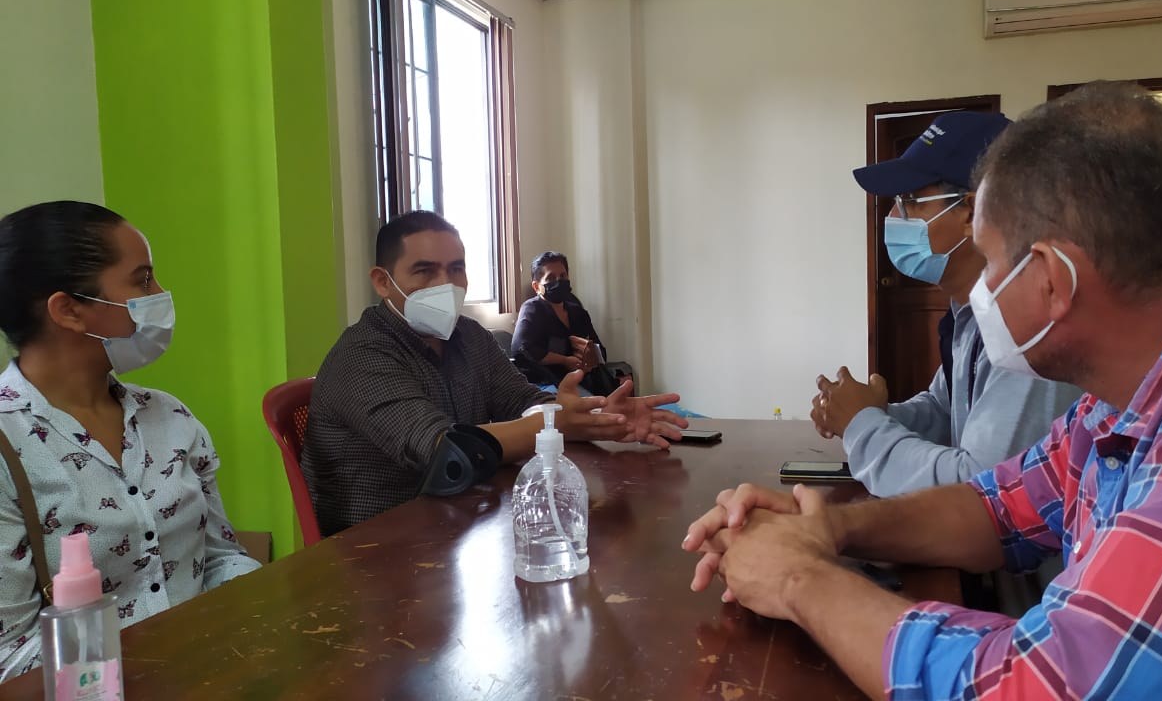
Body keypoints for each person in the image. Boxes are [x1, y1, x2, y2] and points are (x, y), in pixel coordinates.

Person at [683, 81, 1162, 699]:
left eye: (990, 263)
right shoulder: (1127, 388)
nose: (982, 291)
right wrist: (827, 530)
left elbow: (1038, 686)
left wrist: (797, 580)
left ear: (1051, 279)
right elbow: (998, 507)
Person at [0, 201, 261, 681]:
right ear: (69, 310)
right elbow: (10, 655)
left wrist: (275, 602)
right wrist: (155, 665)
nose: (160, 295)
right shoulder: (8, 446)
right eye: (143, 281)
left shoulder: (170, 417)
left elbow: (219, 560)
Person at [302, 211, 686, 536]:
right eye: (424, 271)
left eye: (456, 268)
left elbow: (523, 402)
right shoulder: (362, 355)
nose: (445, 284)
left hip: (462, 523)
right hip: (377, 549)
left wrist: (598, 416)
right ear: (383, 282)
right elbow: (447, 452)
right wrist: (558, 424)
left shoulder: (468, 335)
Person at [812, 111, 1079, 497]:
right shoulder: (970, 313)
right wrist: (871, 412)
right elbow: (946, 409)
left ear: (971, 212)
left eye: (910, 200)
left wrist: (862, 424)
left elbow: (981, 490)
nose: (893, 216)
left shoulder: (1029, 324)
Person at [512, 251, 615, 396]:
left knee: (611, 401)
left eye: (563, 276)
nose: (559, 281)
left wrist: (589, 361)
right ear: (536, 287)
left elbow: (600, 350)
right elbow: (521, 349)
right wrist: (565, 360)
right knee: (587, 404)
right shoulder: (532, 309)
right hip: (546, 382)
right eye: (551, 278)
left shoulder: (578, 312)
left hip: (582, 379)